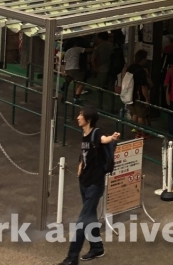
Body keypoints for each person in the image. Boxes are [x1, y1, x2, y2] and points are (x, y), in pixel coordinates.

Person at [58, 106, 120, 265]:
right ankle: (97, 247)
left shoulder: (96, 132)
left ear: (89, 119)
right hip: (84, 182)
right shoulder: (84, 134)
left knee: (82, 220)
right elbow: (85, 153)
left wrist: (112, 138)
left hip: (95, 183)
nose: (78, 117)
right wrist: (80, 166)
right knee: (90, 215)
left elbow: (104, 139)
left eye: (81, 115)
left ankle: (72, 258)